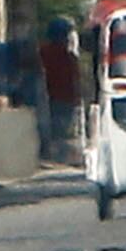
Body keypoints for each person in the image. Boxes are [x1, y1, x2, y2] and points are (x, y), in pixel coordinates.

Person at [35, 17, 84, 165]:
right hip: (62, 99)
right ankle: (57, 157)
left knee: (51, 129)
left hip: (49, 98)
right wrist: (78, 97)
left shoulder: (42, 52)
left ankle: (49, 155)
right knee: (60, 131)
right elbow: (76, 81)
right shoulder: (68, 57)